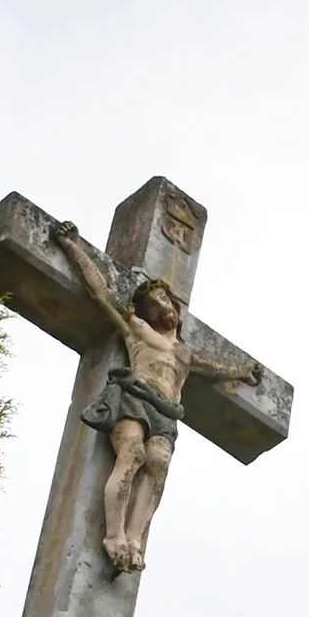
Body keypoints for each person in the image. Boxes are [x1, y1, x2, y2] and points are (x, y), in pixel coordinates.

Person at [51, 219, 258, 574]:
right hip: (136, 397)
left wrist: (242, 371)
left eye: (166, 299)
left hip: (167, 412)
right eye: (155, 302)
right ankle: (113, 535)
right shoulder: (138, 329)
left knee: (157, 465)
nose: (164, 306)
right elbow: (101, 293)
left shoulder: (186, 355)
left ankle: (133, 539)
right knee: (131, 454)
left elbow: (215, 368)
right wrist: (74, 247)